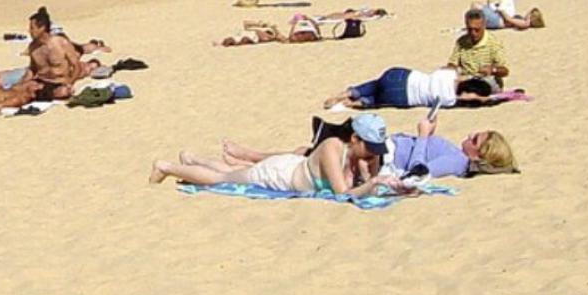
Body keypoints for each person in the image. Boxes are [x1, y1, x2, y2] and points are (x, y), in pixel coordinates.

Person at [149, 114, 401, 198]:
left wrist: (370, 175)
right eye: (370, 148)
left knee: (228, 173)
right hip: (279, 174)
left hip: (292, 168)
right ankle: (167, 167)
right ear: (355, 139)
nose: (373, 155)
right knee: (221, 179)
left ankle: (194, 159)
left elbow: (362, 187)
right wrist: (371, 182)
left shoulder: (366, 156)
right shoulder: (332, 147)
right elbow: (342, 194)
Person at [218, 115, 517, 180]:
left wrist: (424, 135)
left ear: (479, 154)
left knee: (308, 154)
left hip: (378, 154)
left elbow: (418, 171)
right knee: (304, 153)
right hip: (382, 150)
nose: (471, 133)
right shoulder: (455, 156)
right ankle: (248, 158)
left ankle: (247, 159)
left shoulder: (456, 162)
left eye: (476, 139)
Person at [322, 67, 496, 110]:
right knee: (377, 100)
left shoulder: (449, 75)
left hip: (405, 76)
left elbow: (459, 74)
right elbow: (465, 97)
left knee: (375, 84)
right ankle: (351, 104)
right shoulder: (449, 100)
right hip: (404, 97)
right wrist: (484, 99)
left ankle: (346, 93)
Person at [27, 6, 83, 100]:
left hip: (59, 82)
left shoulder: (61, 43)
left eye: (32, 28)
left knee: (63, 92)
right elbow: (32, 70)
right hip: (41, 82)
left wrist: (70, 82)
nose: (30, 31)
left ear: (42, 28)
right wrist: (25, 81)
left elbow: (77, 66)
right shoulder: (33, 47)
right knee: (22, 90)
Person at [448, 9, 509, 86]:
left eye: (477, 30)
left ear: (484, 26)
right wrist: (451, 70)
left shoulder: (493, 43)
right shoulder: (461, 42)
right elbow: (453, 63)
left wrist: (493, 70)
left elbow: (505, 71)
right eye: (470, 29)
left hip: (487, 81)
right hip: (467, 79)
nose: (473, 33)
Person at [218, 16, 322, 46]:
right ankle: (224, 43)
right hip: (249, 33)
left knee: (243, 40)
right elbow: (245, 23)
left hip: (251, 35)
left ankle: (226, 43)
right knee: (237, 39)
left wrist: (273, 30)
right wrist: (260, 24)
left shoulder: (269, 36)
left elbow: (281, 38)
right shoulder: (268, 33)